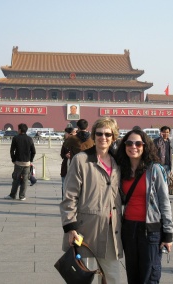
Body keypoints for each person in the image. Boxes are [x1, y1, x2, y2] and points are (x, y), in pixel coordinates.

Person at [60, 117, 122, 284]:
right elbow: (69, 197)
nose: (103, 137)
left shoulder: (118, 162)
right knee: (83, 278)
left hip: (111, 232)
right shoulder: (81, 160)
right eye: (99, 133)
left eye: (108, 134)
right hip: (85, 231)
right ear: (93, 136)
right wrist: (70, 227)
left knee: (113, 277)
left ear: (114, 137)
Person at [116, 129, 173, 284]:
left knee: (149, 276)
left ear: (145, 146)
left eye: (138, 143)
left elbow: (164, 202)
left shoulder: (154, 169)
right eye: (129, 143)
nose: (133, 146)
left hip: (150, 230)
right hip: (128, 229)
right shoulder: (122, 170)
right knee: (133, 275)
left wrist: (168, 234)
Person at [4, 123, 36, 201]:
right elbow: (33, 151)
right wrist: (30, 160)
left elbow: (12, 151)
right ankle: (22, 196)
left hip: (18, 162)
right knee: (25, 180)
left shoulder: (16, 138)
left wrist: (13, 159)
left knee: (16, 179)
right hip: (27, 163)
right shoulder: (29, 139)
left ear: (20, 130)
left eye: (18, 129)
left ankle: (12, 195)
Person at [60, 127, 76, 199]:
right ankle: (64, 199)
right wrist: (65, 155)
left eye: (66, 133)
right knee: (64, 184)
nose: (65, 135)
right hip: (65, 166)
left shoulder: (77, 143)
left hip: (74, 166)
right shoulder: (65, 143)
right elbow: (62, 154)